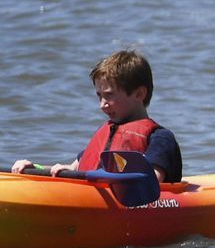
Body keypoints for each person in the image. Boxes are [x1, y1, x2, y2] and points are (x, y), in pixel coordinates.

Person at [11, 49, 183, 183]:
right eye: (99, 96)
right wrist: (35, 168)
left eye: (109, 95)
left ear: (139, 94)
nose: (102, 104)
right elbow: (72, 169)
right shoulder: (108, 134)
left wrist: (102, 177)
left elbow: (152, 181)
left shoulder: (160, 139)